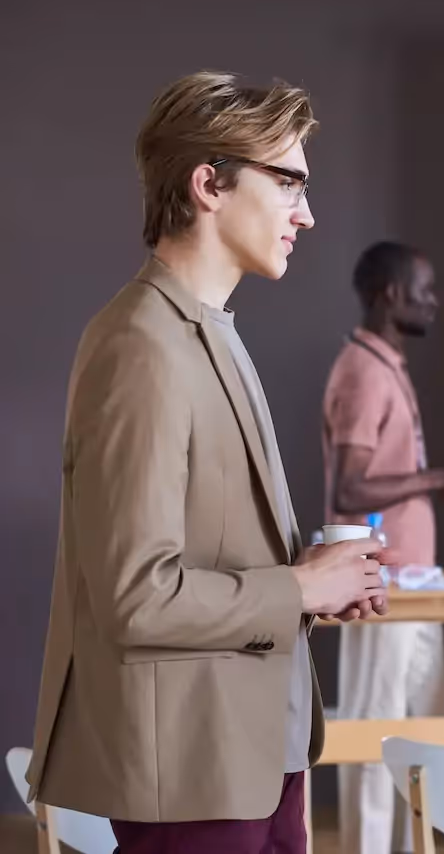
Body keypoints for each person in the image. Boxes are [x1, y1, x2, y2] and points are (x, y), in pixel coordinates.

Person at [25, 71, 390, 854]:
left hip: (258, 753)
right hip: (195, 769)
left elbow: (214, 553)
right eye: (289, 181)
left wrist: (314, 579)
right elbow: (134, 598)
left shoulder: (207, 329)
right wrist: (299, 586)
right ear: (208, 184)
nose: (308, 212)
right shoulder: (140, 346)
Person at [322, 240, 444, 854]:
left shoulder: (385, 363)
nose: (435, 301)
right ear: (391, 295)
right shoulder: (364, 371)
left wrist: (434, 492)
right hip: (377, 583)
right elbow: (349, 486)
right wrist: (442, 478)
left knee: (424, 724)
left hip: (413, 584)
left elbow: (384, 480)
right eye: (424, 289)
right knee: (375, 732)